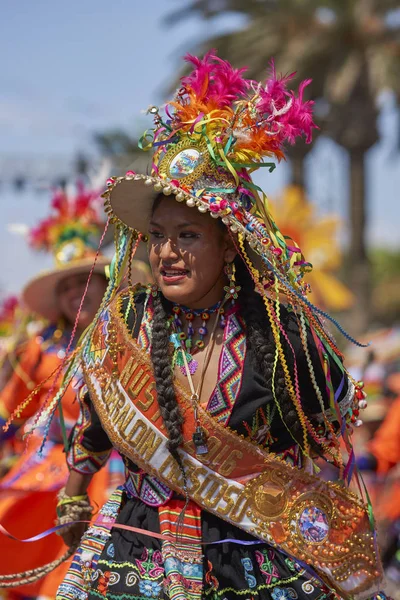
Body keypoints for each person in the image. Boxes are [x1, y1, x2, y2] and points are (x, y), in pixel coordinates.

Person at [42, 52, 384, 599]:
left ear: (228, 245)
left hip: (251, 560)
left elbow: (330, 433)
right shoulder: (126, 320)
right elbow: (95, 423)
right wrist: (73, 496)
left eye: (188, 236)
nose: (167, 253)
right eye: (157, 236)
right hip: (134, 552)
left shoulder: (281, 332)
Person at [0, 184, 151, 599]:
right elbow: (11, 414)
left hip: (119, 471)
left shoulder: (136, 343)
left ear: (106, 287)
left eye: (83, 283)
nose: (74, 295)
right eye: (66, 289)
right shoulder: (41, 354)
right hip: (56, 468)